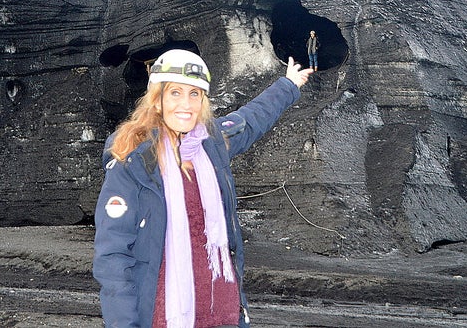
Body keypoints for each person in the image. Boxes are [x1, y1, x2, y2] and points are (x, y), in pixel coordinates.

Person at [93, 49, 312, 327]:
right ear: (157, 99)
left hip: (221, 308)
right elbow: (112, 256)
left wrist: (288, 85)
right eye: (175, 93)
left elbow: (252, 119)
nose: (186, 104)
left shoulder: (211, 144)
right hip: (165, 312)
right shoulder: (133, 161)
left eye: (194, 94)